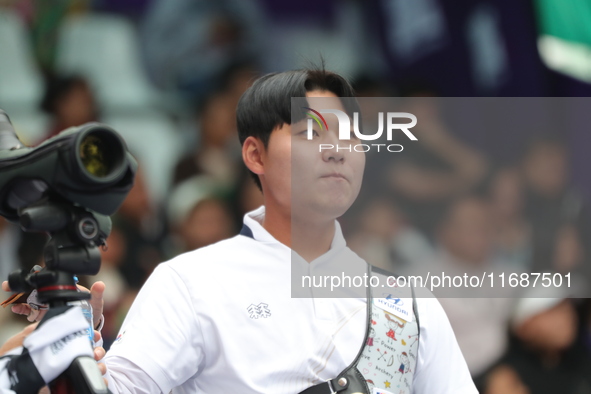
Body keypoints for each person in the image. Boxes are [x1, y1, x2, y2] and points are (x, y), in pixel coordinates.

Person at [108, 69, 476, 392]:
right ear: (255, 155)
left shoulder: (412, 306)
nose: (336, 150)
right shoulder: (190, 284)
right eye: (311, 132)